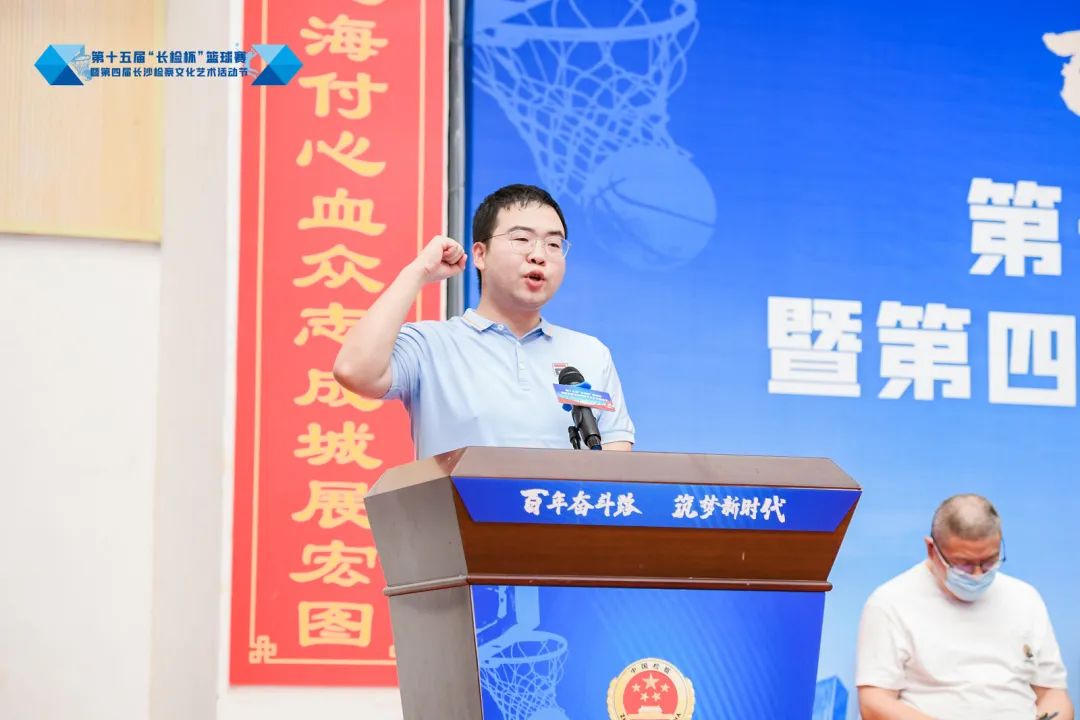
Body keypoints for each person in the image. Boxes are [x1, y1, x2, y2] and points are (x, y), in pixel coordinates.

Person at [333, 183, 635, 458]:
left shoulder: (589, 353)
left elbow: (615, 459)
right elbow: (354, 371)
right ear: (480, 254)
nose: (539, 255)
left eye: (554, 244)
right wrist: (417, 272)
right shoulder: (430, 345)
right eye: (522, 239)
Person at [856, 494, 1073, 720]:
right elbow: (874, 702)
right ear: (931, 549)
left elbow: (1053, 693)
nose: (978, 575)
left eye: (989, 561)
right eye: (964, 565)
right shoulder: (890, 602)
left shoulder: (1025, 598)